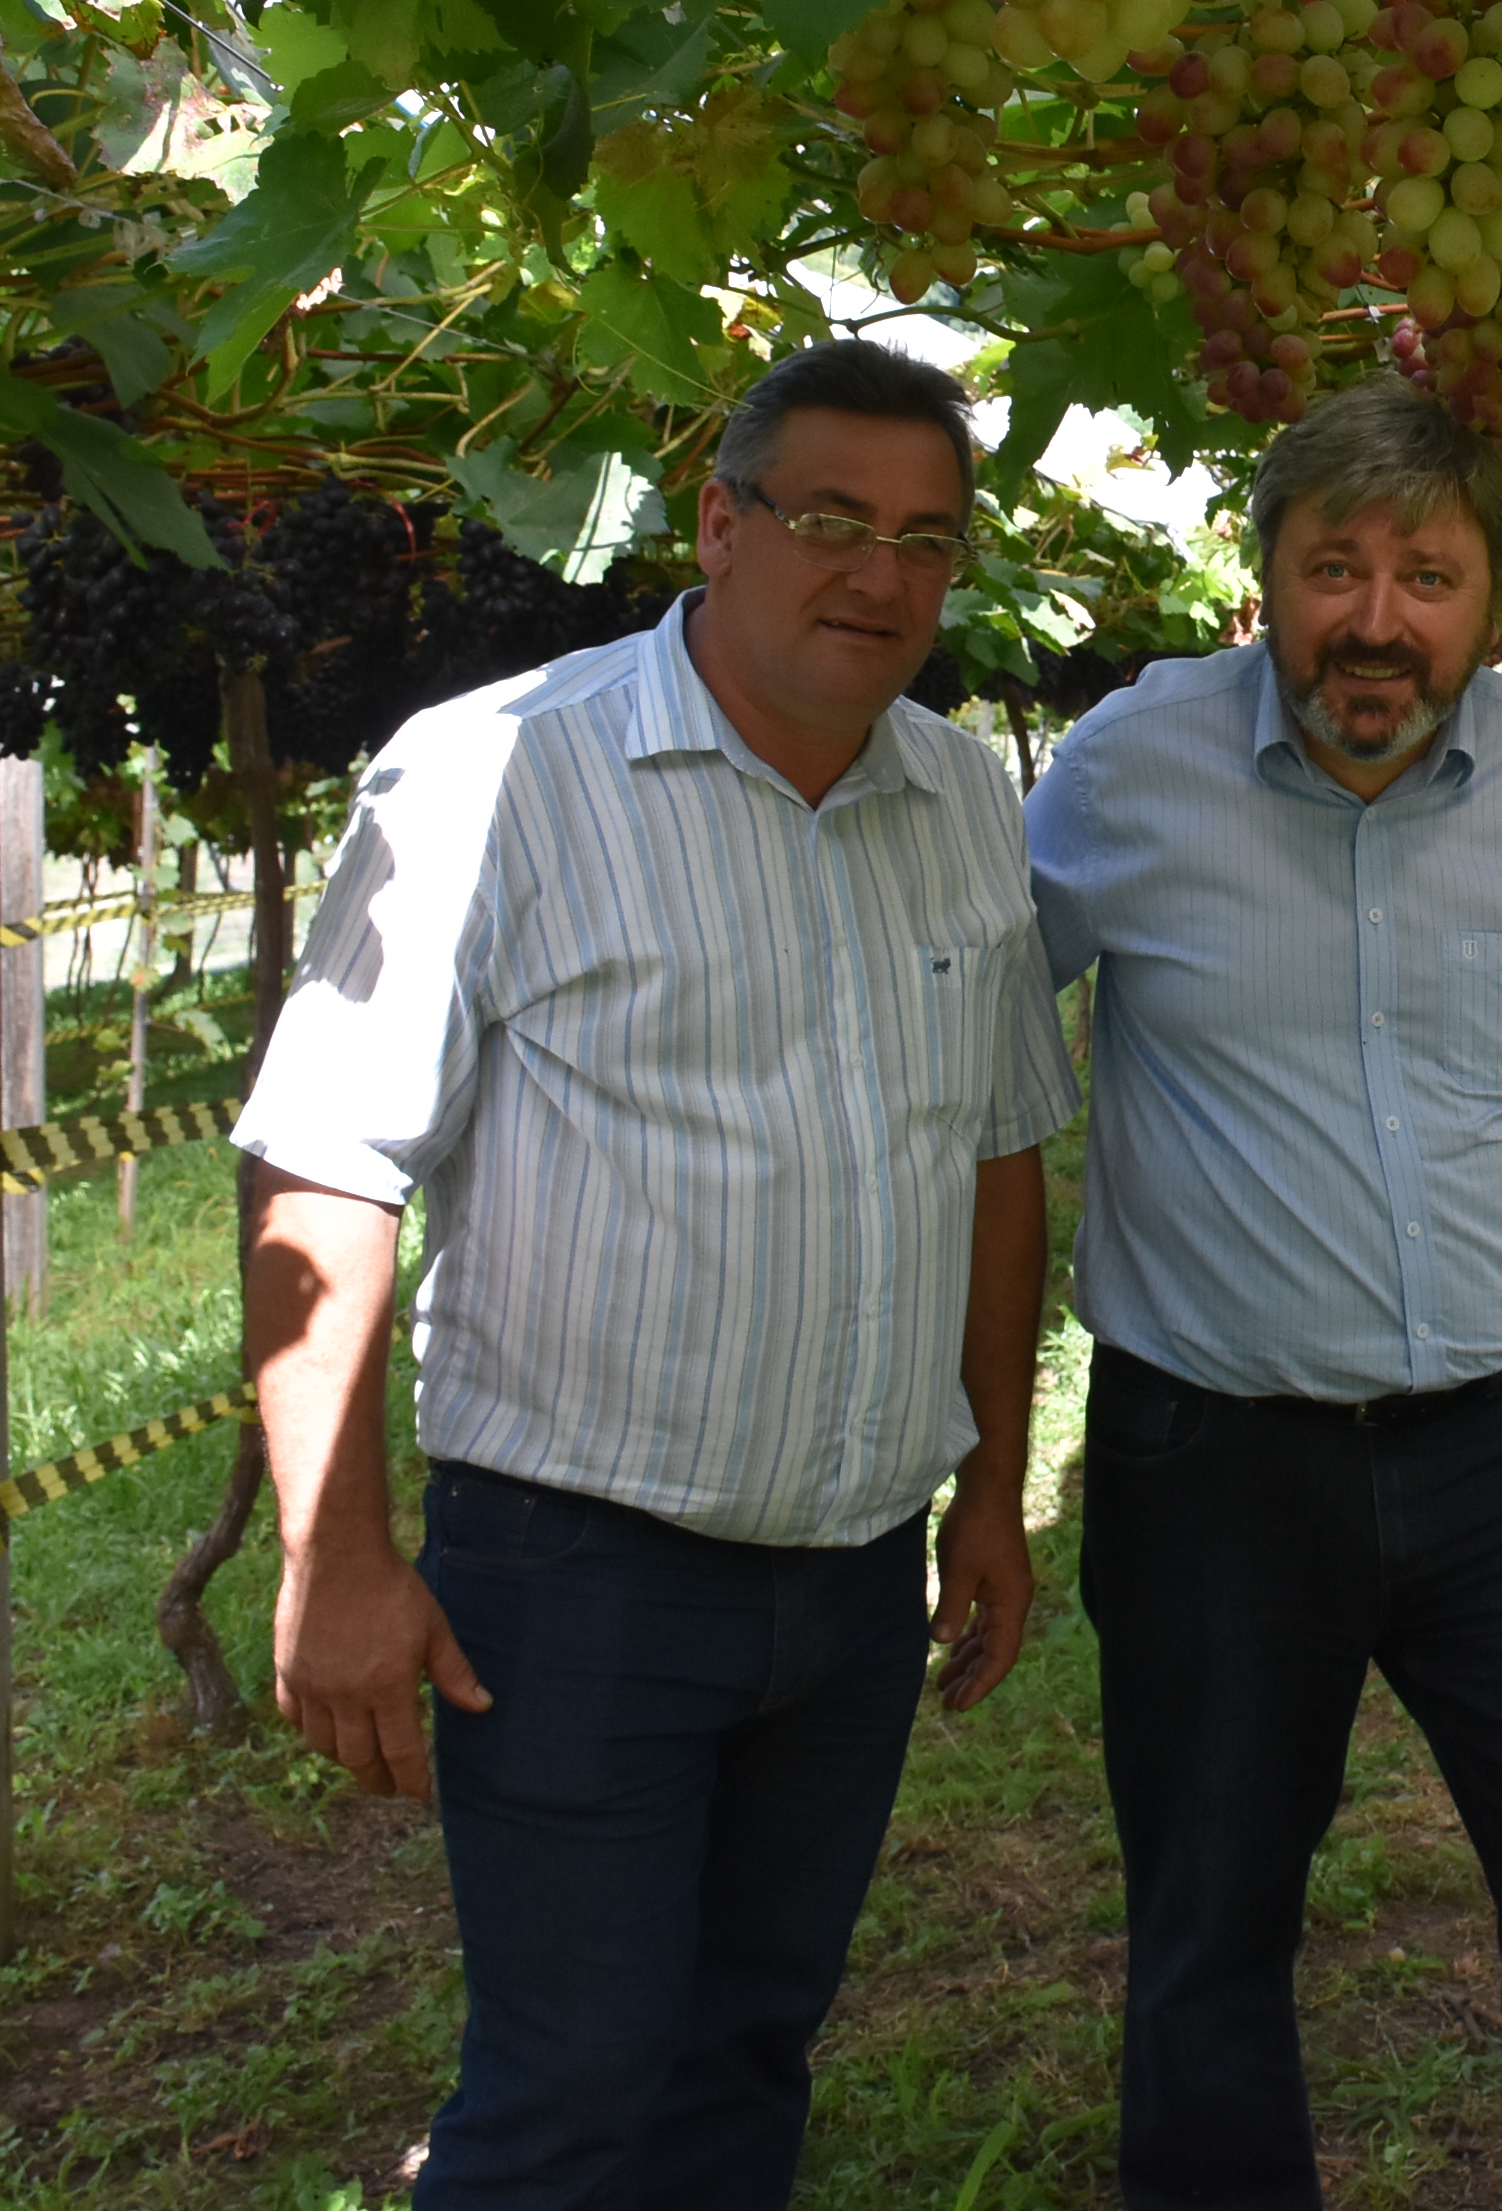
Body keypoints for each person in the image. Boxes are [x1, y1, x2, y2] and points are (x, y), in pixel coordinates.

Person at [229, 340, 1077, 2211]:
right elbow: (326, 1164)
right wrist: (337, 1554)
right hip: (580, 1581)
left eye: (927, 542)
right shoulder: (491, 779)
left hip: (853, 1583)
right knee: (567, 2098)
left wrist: (995, 1485)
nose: (879, 576)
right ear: (718, 520)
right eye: (831, 521)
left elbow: (1000, 1153)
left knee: (744, 2064)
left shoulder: (959, 798)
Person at [1026, 377, 1502, 2211]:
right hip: (1207, 1459)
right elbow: (956, 1051)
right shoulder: (1123, 776)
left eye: (1425, 575)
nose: (1376, 619)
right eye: (1333, 567)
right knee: (1208, 1932)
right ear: (1266, 581)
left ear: (1491, 600)